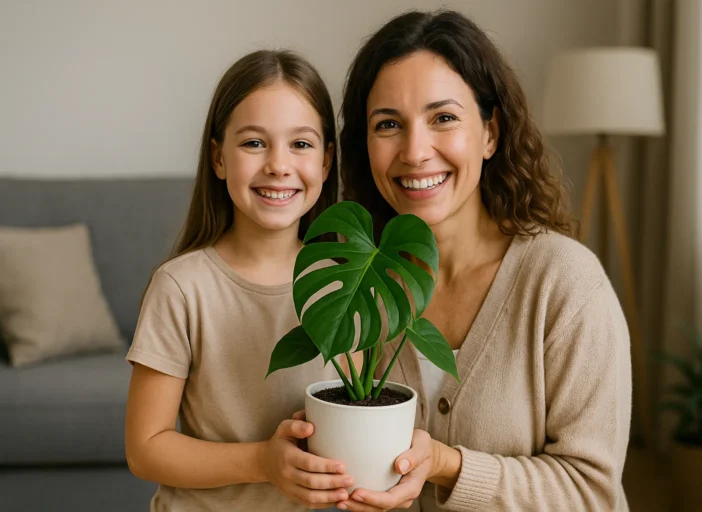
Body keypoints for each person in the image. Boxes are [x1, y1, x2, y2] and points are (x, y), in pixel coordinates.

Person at [336, 10, 632, 512]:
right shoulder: (357, 286)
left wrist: (449, 466)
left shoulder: (565, 284)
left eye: (443, 118)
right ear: (365, 146)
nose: (415, 150)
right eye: (388, 124)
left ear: (490, 134)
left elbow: (593, 495)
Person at [124, 50, 353, 511]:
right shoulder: (181, 287)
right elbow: (145, 447)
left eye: (301, 145)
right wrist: (263, 462)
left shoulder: (347, 283)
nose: (278, 165)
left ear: (327, 162)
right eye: (253, 143)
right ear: (218, 157)